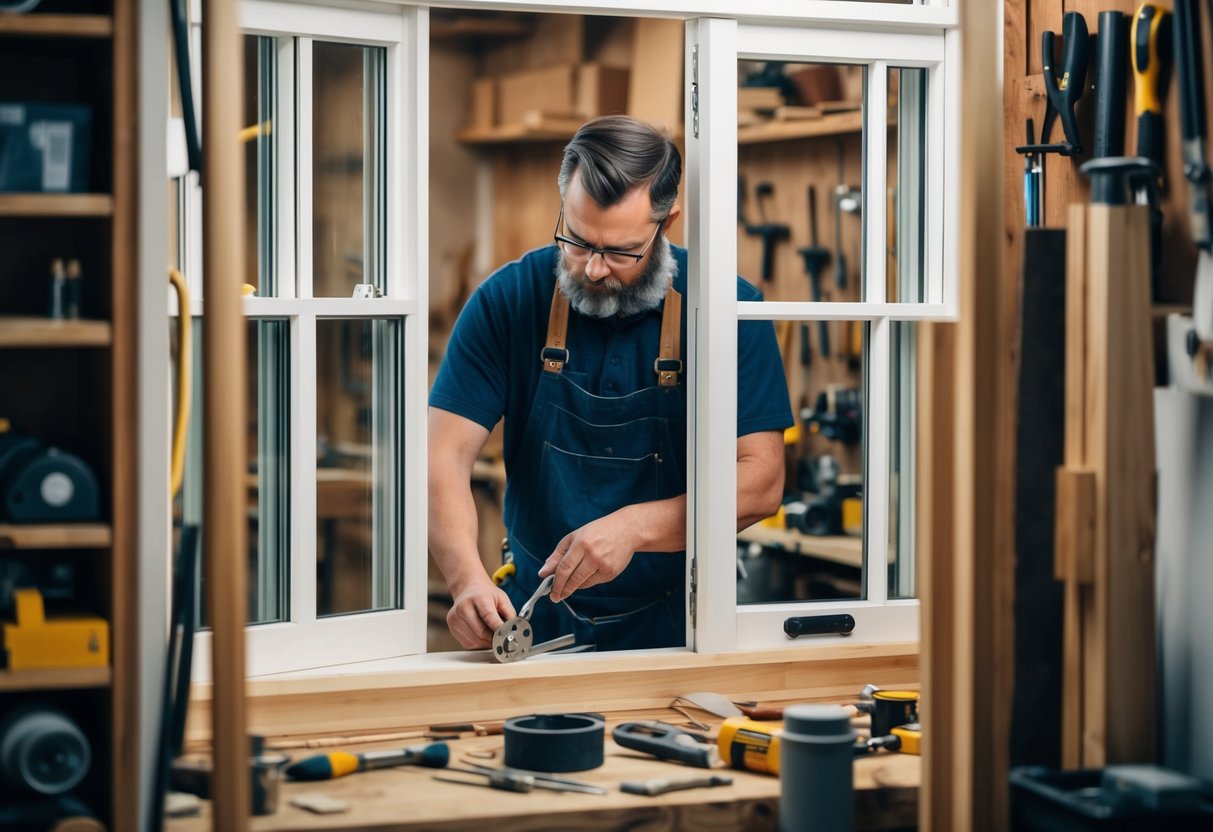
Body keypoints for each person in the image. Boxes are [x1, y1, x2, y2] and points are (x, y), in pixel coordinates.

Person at [428, 115, 792, 653]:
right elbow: (441, 457)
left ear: (667, 224)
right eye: (576, 241)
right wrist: (466, 580)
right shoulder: (507, 300)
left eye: (621, 252)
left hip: (682, 629)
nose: (593, 269)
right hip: (535, 623)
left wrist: (636, 527)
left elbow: (761, 483)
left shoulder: (725, 308)